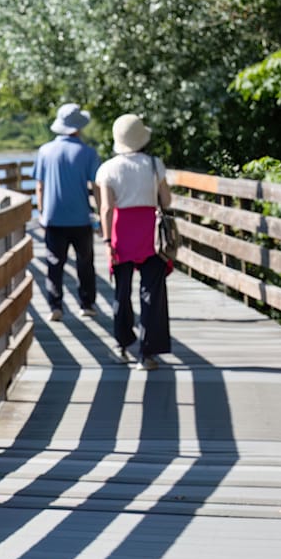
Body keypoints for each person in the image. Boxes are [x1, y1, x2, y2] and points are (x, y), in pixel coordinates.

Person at [96, 113, 173, 369]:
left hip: (122, 233)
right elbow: (167, 200)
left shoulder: (107, 168)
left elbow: (106, 208)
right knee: (151, 292)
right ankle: (147, 354)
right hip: (150, 233)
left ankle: (121, 345)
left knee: (122, 292)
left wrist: (107, 241)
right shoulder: (154, 164)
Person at [33, 102, 101, 321]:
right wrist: (100, 216)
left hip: (53, 218)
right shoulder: (88, 153)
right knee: (85, 262)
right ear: (78, 127)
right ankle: (87, 304)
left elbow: (40, 186)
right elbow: (97, 187)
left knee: (54, 263)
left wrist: (42, 212)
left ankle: (55, 306)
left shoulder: (45, 151)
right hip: (81, 217)